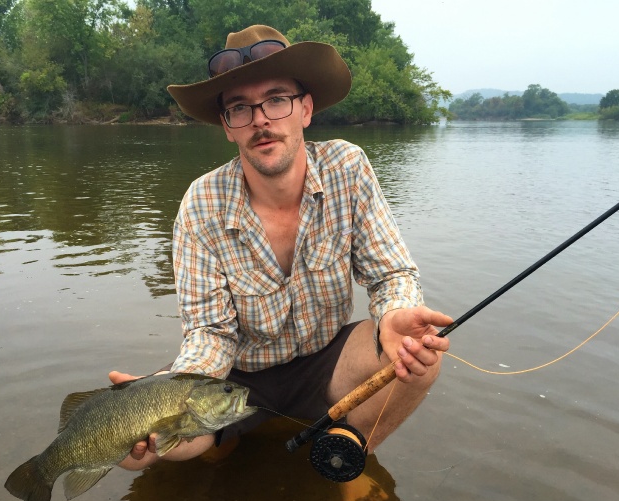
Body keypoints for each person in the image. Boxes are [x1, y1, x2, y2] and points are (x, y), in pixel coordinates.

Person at [110, 25, 452, 471]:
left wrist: (393, 315)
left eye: (276, 99)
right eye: (239, 109)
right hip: (237, 376)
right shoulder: (201, 203)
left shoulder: (348, 167)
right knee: (131, 458)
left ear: (305, 109)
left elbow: (391, 274)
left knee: (419, 353)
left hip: (328, 362)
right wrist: (162, 393)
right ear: (227, 129)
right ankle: (224, 437)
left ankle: (349, 451)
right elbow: (210, 333)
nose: (260, 120)